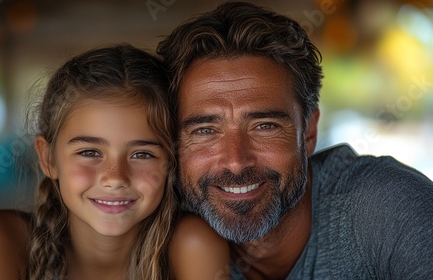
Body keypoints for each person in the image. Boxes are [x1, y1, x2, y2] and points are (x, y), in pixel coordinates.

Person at [156, 2, 433, 279]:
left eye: (264, 126)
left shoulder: (386, 208)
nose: (236, 162)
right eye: (205, 131)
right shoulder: (154, 233)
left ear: (309, 133)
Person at [0, 44, 231, 280]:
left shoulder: (193, 245)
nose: (115, 178)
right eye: (90, 152)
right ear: (48, 158)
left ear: (171, 162)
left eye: (142, 154)